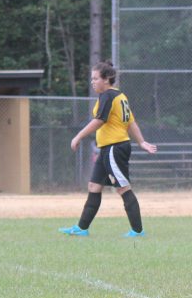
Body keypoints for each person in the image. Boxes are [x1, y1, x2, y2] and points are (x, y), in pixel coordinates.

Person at [59, 59, 158, 238]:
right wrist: (141, 142)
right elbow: (131, 121)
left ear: (106, 79)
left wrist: (78, 136)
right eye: (92, 79)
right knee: (94, 186)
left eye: (95, 78)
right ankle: (82, 228)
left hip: (114, 148)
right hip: (108, 149)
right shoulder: (119, 96)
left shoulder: (108, 96)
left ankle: (137, 231)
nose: (92, 82)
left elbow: (99, 120)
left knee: (123, 188)